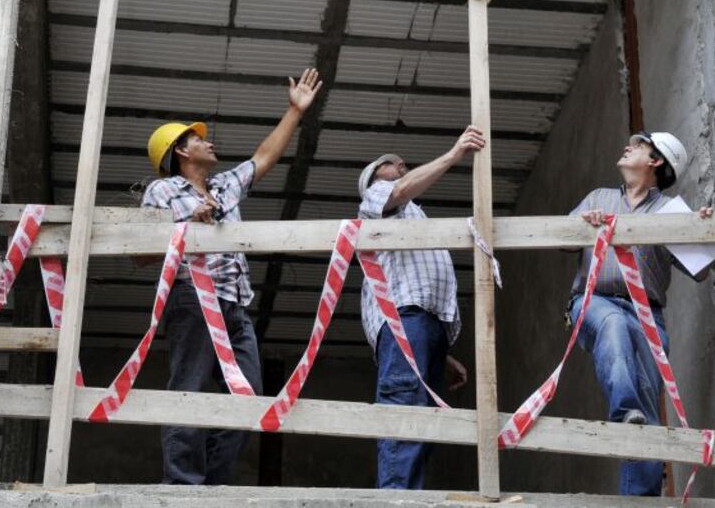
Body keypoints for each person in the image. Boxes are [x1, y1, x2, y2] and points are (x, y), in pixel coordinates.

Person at [142, 68, 323, 485]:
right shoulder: (163, 192)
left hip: (234, 304)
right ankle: (184, 486)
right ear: (181, 152)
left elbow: (263, 156)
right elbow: (142, 253)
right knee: (189, 385)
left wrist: (294, 111)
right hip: (192, 296)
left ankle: (210, 480)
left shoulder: (223, 186)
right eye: (198, 138)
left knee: (250, 397)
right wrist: (187, 221)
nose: (208, 140)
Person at [568, 131, 715, 496]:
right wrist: (584, 223)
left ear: (655, 162)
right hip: (595, 303)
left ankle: (641, 502)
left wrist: (702, 228)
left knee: (648, 415)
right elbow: (560, 240)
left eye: (639, 146)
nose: (628, 147)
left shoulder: (669, 212)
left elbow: (702, 270)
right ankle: (624, 412)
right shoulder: (598, 198)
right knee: (614, 327)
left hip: (647, 315)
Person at [356, 125, 484, 489]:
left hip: (420, 327)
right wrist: (455, 152)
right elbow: (397, 190)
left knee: (421, 422)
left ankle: (406, 496)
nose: (400, 163)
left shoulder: (412, 215)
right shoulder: (379, 198)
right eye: (388, 163)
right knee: (405, 413)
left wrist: (442, 354)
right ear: (371, 181)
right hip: (403, 323)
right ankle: (397, 500)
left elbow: (414, 287)